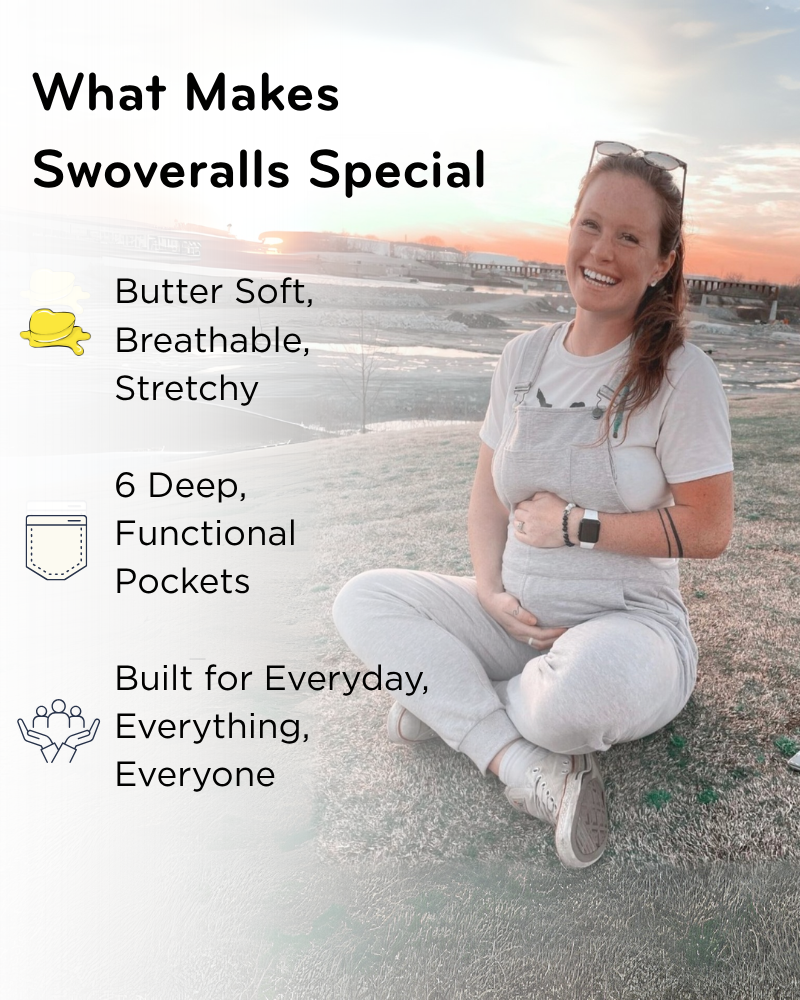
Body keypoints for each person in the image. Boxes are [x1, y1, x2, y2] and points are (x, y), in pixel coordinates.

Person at [332, 142, 734, 869]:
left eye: (630, 237)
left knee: (570, 707)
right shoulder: (523, 356)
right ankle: (515, 762)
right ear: (570, 229)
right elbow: (487, 497)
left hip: (628, 630)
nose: (601, 251)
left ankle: (452, 700)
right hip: (512, 621)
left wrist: (578, 526)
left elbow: (709, 528)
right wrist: (489, 591)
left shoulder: (682, 374)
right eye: (590, 225)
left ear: (662, 261)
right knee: (364, 600)